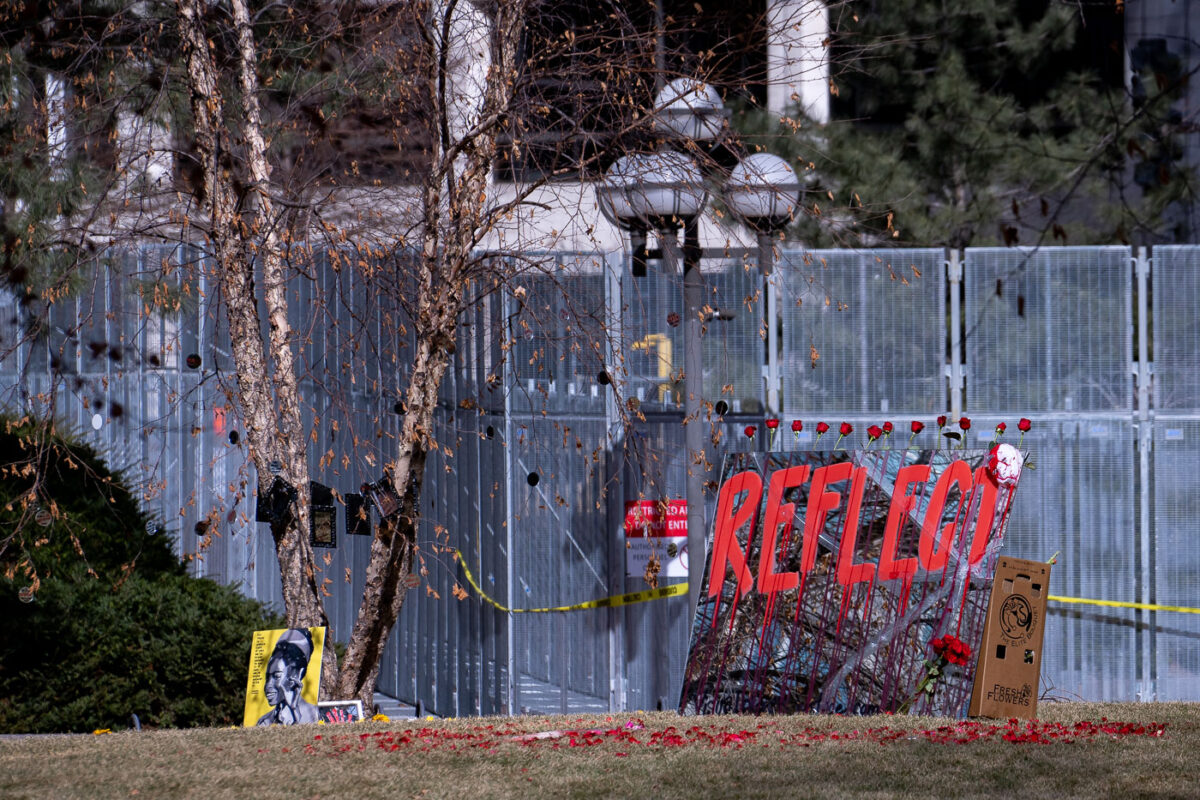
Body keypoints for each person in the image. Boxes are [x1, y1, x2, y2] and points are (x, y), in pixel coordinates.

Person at [256, 628, 320, 726]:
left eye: (276, 676)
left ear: (297, 674)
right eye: (267, 677)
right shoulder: (264, 722)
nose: (268, 686)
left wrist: (294, 710)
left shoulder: (315, 714)